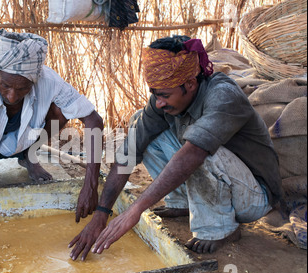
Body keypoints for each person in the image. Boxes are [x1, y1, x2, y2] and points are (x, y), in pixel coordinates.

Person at [69, 35, 284, 260]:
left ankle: (220, 229)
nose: (158, 102)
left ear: (190, 84)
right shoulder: (161, 103)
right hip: (220, 177)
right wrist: (101, 214)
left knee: (198, 151)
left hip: (253, 196)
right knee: (139, 123)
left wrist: (135, 210)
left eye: (164, 95)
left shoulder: (223, 96)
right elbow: (128, 154)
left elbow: (192, 155)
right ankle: (182, 202)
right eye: (154, 93)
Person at [0, 29, 103, 268]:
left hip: (25, 138)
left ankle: (28, 156)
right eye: (5, 85)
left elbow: (93, 120)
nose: (12, 95)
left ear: (35, 79)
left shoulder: (48, 79)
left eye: (23, 88)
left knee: (60, 112)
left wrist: (91, 185)